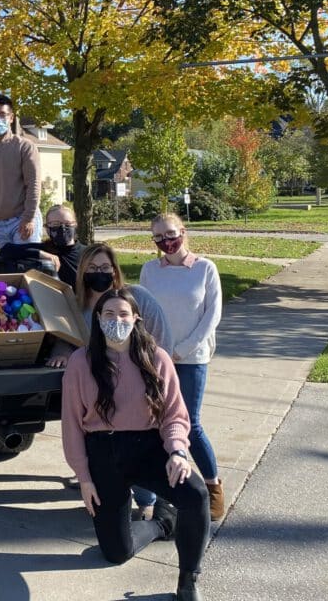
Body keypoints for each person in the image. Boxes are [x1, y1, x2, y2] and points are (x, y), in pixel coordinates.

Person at [61, 288, 210, 601]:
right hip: (103, 452)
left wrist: (178, 451)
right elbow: (72, 425)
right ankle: (161, 523)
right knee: (116, 553)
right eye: (109, 314)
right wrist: (84, 478)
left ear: (136, 318)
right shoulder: (80, 362)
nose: (117, 320)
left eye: (123, 314)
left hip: (148, 447)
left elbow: (175, 414)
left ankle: (188, 582)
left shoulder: (156, 357)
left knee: (196, 494)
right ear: (98, 319)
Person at [55, 242, 174, 519]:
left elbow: (162, 337)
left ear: (115, 270)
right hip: (102, 390)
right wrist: (61, 353)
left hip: (140, 385)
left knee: (143, 441)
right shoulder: (78, 306)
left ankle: (148, 501)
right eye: (93, 268)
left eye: (105, 268)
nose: (100, 273)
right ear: (83, 271)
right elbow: (64, 336)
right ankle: (103, 490)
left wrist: (154, 373)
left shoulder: (137, 297)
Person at [140, 213, 225, 522]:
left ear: (183, 232)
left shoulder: (205, 268)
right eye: (159, 238)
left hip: (192, 358)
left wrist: (183, 349)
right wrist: (156, 350)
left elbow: (212, 316)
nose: (166, 242)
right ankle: (164, 489)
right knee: (158, 424)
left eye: (171, 234)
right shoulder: (150, 270)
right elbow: (144, 312)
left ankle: (213, 486)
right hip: (158, 359)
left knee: (192, 424)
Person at [0, 94, 59, 272]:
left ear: (11, 117)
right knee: (7, 270)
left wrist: (29, 217)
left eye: (2, 114)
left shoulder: (25, 147)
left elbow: (33, 184)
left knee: (28, 269)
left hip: (22, 219)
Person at [38, 205, 86, 288]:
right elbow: (8, 250)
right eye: (55, 224)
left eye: (67, 224)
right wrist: (39, 253)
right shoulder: (43, 249)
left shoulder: (87, 253)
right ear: (47, 228)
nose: (63, 228)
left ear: (75, 225)